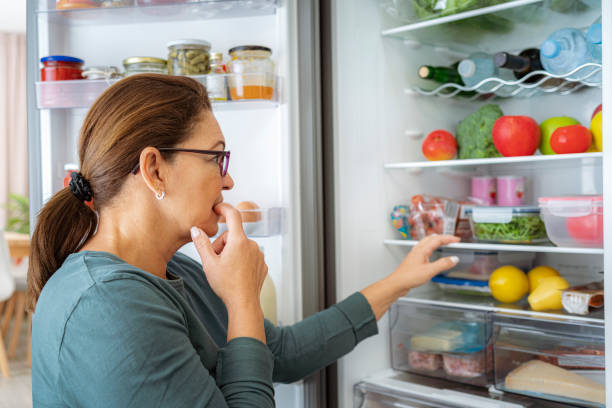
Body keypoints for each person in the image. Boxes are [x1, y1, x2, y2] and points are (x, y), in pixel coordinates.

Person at [28, 74, 460, 407]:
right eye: (216, 157)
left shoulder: (174, 270)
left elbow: (282, 353)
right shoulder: (107, 306)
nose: (229, 179)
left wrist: (402, 279)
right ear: (155, 169)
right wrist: (242, 300)